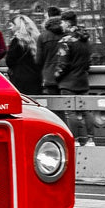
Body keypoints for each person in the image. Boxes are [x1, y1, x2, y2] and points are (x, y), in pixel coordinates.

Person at [56, 10, 94, 146]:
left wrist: (56, 76)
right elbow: (89, 62)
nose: (61, 25)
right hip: (83, 80)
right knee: (86, 110)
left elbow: (62, 64)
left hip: (68, 82)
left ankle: (75, 140)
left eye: (62, 22)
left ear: (66, 22)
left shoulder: (65, 41)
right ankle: (90, 139)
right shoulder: (85, 39)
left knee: (70, 112)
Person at [3, 14, 43, 94]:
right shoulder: (38, 39)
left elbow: (9, 61)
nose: (11, 28)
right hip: (36, 77)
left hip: (20, 78)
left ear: (17, 26)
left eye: (11, 25)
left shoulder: (17, 41)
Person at [38, 9, 63, 94]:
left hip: (49, 76)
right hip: (68, 78)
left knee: (52, 104)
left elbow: (39, 60)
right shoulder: (68, 34)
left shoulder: (43, 36)